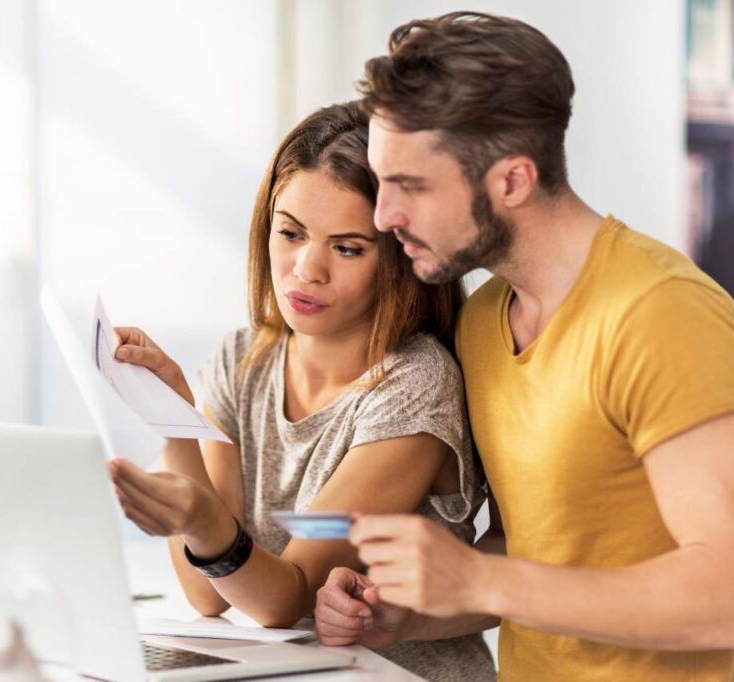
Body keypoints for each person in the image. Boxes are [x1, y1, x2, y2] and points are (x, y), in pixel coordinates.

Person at [314, 12, 734, 681]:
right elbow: (531, 559)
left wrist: (477, 578)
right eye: (382, 181)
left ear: (512, 181)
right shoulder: (484, 320)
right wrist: (408, 614)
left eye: (410, 186)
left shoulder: (665, 315)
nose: (384, 214)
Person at [107, 101, 496, 681]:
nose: (307, 270)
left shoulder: (415, 386)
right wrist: (174, 421)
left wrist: (204, 520)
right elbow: (207, 594)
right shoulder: (242, 360)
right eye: (290, 233)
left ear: (400, 256)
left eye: (347, 248)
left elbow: (284, 601)